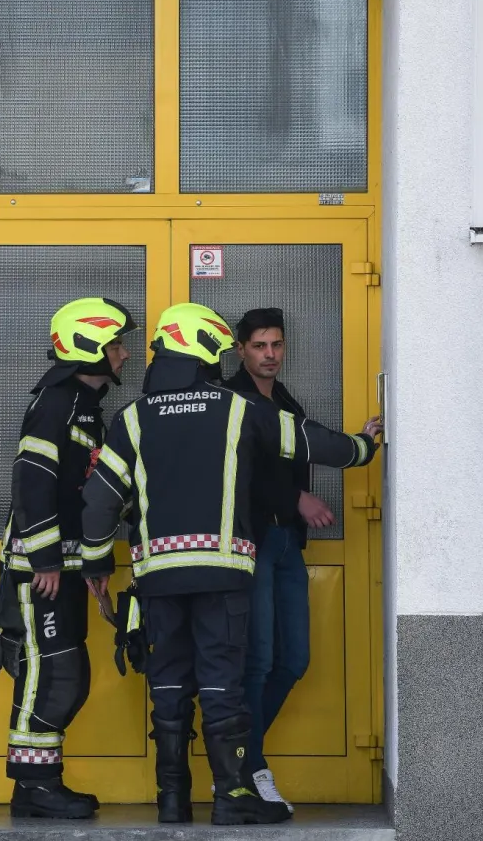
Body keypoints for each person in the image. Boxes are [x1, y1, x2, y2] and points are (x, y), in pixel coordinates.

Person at [80, 302, 378, 827]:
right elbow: (307, 442)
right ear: (204, 353)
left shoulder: (132, 418)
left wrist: (97, 565)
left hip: (158, 582)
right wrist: (363, 447)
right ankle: (232, 797)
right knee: (223, 687)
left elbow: (100, 501)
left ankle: (171, 802)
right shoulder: (238, 408)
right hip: (222, 579)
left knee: (168, 687)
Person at [226, 306, 382, 811]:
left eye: (277, 345)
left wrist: (361, 442)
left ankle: (236, 751)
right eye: (260, 346)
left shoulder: (285, 399)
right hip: (252, 544)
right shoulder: (233, 399)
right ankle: (246, 767)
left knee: (294, 660)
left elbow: (308, 445)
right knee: (259, 661)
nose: (270, 355)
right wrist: (297, 499)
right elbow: (244, 470)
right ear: (241, 350)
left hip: (287, 544)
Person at [1, 296, 137, 820]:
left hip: (65, 569)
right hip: (42, 572)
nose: (125, 355)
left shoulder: (82, 406)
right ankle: (34, 786)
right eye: (117, 345)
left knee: (67, 672)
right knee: (53, 673)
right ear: (91, 349)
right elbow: (33, 485)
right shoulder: (56, 403)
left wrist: (92, 569)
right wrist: (46, 562)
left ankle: (39, 783)